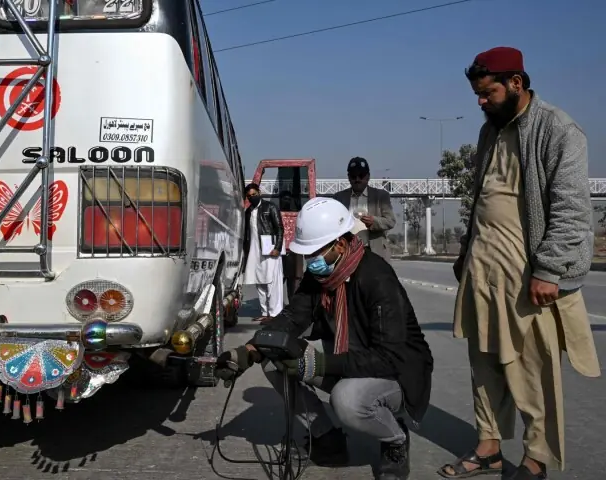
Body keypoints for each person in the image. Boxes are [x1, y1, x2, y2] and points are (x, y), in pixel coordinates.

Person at [438, 47, 601, 480]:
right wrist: (465, 253)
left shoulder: (558, 129)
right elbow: (482, 199)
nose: (480, 101)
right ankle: (488, 447)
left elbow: (570, 209)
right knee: (483, 366)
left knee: (532, 370)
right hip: (482, 271)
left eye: (486, 92)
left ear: (516, 83)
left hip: (526, 277)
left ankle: (535, 460)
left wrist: (548, 270)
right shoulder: (489, 131)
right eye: (476, 93)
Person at [220, 197, 434, 480]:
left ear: (341, 244)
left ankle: (394, 440)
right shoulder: (320, 277)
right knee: (274, 360)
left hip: (397, 375)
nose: (311, 262)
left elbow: (388, 358)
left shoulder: (377, 279)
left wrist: (318, 365)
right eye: (307, 255)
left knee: (346, 400)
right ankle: (326, 437)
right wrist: (249, 351)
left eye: (316, 253)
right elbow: (291, 318)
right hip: (351, 363)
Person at [333, 157, 396, 262]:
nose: (357, 180)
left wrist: (374, 221)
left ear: (368, 176)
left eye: (361, 176)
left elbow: (391, 221)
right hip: (347, 253)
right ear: (348, 177)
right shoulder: (338, 198)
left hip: (374, 252)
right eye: (354, 176)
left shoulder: (381, 196)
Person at [242, 183, 285, 318]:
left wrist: (277, 248)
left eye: (254, 195)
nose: (252, 198)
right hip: (254, 251)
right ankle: (264, 312)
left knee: (272, 281)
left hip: (270, 250)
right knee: (259, 282)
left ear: (259, 193)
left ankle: (274, 314)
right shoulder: (248, 212)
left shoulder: (270, 207)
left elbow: (279, 228)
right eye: (249, 196)